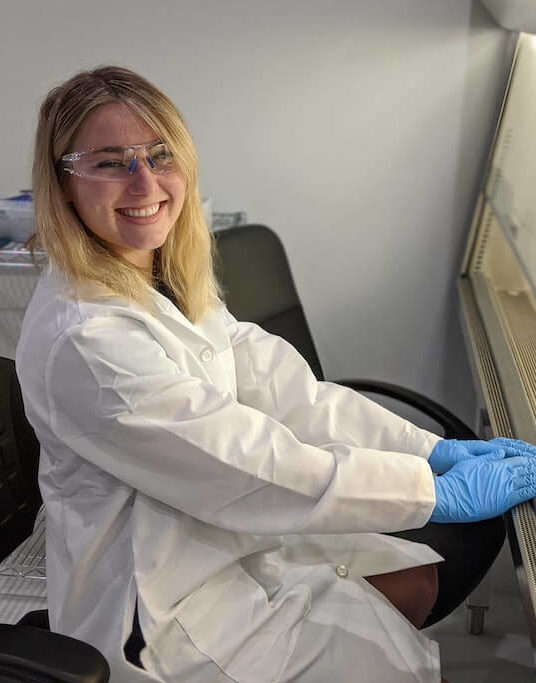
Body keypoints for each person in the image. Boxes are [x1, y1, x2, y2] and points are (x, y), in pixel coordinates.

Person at [16, 65, 536, 683]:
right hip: (158, 612)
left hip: (218, 540)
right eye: (109, 162)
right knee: (385, 651)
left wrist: (431, 452)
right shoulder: (86, 338)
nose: (144, 181)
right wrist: (431, 491)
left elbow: (294, 396)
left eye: (160, 155)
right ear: (64, 183)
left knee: (412, 575)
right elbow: (247, 460)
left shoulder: (159, 275)